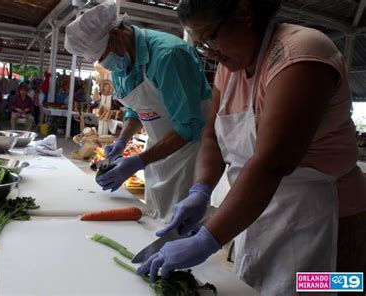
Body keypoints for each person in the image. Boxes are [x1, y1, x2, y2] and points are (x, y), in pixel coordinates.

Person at [138, 0, 366, 295]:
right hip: (258, 209)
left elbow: (273, 162)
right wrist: (200, 190)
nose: (211, 53)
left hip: (327, 220)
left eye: (210, 38)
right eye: (202, 45)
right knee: (259, 287)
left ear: (244, 13)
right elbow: (212, 135)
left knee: (326, 289)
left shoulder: (302, 54)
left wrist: (208, 238)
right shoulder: (230, 67)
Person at [65, 1, 212, 221]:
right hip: (158, 149)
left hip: (189, 151)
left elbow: (188, 127)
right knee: (156, 216)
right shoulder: (120, 65)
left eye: (103, 54)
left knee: (180, 221)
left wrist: (139, 161)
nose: (104, 62)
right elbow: (138, 110)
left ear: (116, 34)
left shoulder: (169, 55)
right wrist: (122, 141)